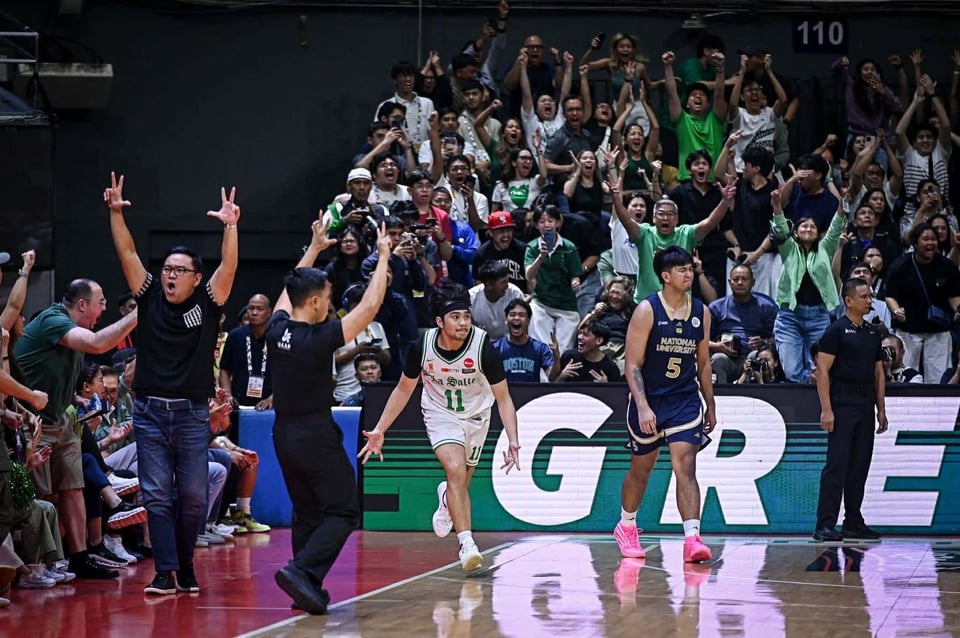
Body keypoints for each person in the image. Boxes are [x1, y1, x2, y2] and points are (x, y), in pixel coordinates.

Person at [106, 172, 239, 595]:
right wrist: (115, 212)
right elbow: (126, 251)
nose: (170, 275)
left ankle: (186, 565)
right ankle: (165, 573)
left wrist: (230, 226)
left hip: (191, 414)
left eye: (180, 270)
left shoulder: (208, 301)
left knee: (196, 498)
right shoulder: (148, 295)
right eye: (167, 269)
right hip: (148, 412)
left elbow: (230, 266)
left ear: (196, 278)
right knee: (158, 495)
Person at [267, 219, 392, 614]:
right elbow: (370, 307)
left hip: (283, 436)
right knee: (342, 510)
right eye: (329, 295)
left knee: (307, 512)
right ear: (318, 302)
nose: (331, 300)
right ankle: (301, 570)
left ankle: (304, 586)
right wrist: (385, 254)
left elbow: (290, 291)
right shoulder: (320, 338)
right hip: (316, 435)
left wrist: (314, 248)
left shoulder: (277, 329)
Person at [359, 280, 521, 574]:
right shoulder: (422, 347)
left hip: (476, 416)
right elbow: (403, 390)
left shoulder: (483, 346)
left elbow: (504, 398)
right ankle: (467, 544)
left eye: (466, 317)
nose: (463, 323)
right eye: (455, 317)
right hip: (439, 413)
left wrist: (513, 439)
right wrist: (380, 428)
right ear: (439, 321)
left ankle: (446, 498)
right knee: (455, 469)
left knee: (460, 483)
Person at [12, 277, 138, 579]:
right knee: (43, 495)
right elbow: (99, 345)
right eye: (101, 302)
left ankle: (81, 556)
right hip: (32, 420)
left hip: (60, 419)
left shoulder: (73, 329)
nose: (103, 309)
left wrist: (76, 398)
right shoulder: (53, 320)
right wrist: (139, 313)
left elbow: (48, 370)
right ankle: (41, 563)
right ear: (82, 304)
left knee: (73, 487)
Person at [615, 246, 716, 564]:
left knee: (685, 466)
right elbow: (632, 364)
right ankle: (626, 525)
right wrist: (643, 406)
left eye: (691, 268)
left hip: (685, 400)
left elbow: (703, 363)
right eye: (683, 269)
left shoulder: (701, 312)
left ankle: (692, 538)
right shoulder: (647, 310)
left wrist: (710, 404)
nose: (689, 274)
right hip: (650, 399)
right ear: (665, 276)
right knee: (641, 470)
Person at [812, 277, 888, 542]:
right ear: (849, 300)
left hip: (866, 404)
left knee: (860, 465)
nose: (870, 301)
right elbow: (822, 371)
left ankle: (853, 521)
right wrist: (827, 409)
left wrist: (881, 409)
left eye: (870, 296)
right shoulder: (836, 331)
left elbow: (879, 373)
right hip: (842, 403)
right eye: (865, 297)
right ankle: (824, 524)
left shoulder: (872, 332)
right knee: (837, 465)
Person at [493, 298, 560, 383]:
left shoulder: (540, 348)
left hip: (532, 395)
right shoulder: (496, 348)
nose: (516, 318)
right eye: (512, 314)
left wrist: (556, 357)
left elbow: (552, 377)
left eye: (521, 315)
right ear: (506, 320)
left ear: (528, 320)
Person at [556, 321, 622, 383]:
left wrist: (606, 386)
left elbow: (617, 393)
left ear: (599, 340)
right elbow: (553, 385)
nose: (579, 337)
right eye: (580, 333)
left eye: (585, 334)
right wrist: (562, 376)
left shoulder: (610, 367)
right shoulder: (569, 356)